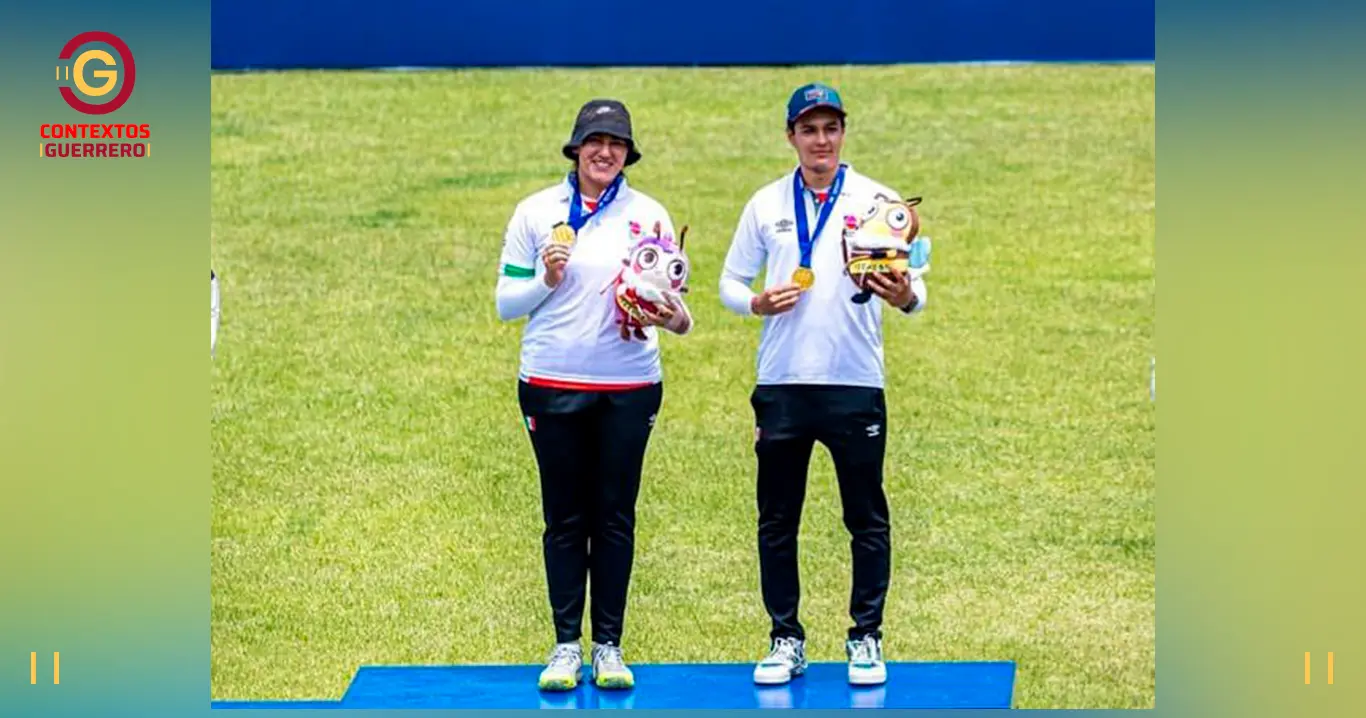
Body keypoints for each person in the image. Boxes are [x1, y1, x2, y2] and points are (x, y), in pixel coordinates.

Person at [718, 82, 929, 687]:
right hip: (782, 383)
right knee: (777, 518)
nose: (821, 140)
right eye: (809, 129)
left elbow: (917, 287)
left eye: (830, 128)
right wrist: (756, 302)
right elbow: (730, 283)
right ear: (791, 136)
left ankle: (866, 636)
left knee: (865, 515)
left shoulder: (878, 201)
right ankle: (785, 637)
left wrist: (906, 295)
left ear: (843, 133)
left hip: (855, 382)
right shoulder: (765, 204)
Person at [495, 98, 693, 692]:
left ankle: (608, 645)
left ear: (628, 153)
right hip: (552, 381)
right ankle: (564, 646)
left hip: (629, 386)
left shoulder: (649, 213)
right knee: (563, 517)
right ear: (576, 149)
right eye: (594, 142)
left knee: (614, 515)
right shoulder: (536, 212)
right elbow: (506, 303)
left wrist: (675, 318)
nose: (605, 152)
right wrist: (547, 280)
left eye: (616, 144)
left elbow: (674, 304)